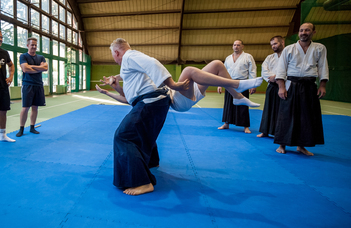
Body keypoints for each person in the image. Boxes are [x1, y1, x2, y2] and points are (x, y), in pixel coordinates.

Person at [96, 38, 262, 196]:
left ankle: (237, 88)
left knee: (123, 136)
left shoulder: (129, 57)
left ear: (116, 53)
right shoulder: (133, 70)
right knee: (215, 65)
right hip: (163, 98)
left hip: (170, 96)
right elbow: (130, 98)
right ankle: (236, 95)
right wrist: (112, 88)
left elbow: (153, 64)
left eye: (114, 57)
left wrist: (173, 84)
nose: (115, 62)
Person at [274, 23, 329, 156]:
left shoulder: (320, 48)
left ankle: (301, 145)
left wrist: (322, 85)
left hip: (309, 85)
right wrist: (281, 87)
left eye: (307, 30)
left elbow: (323, 67)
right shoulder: (289, 49)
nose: (304, 32)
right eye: (301, 30)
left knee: (306, 116)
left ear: (313, 32)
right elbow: (281, 69)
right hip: (291, 84)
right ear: (298, 32)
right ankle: (282, 144)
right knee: (286, 114)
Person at [218, 40, 258, 134]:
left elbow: (252, 70)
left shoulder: (248, 56)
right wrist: (220, 84)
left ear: (242, 46)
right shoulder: (228, 58)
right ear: (232, 46)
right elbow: (223, 71)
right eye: (234, 45)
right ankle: (226, 123)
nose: (236, 47)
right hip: (229, 82)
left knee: (243, 105)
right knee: (228, 104)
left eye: (238, 45)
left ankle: (246, 126)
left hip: (242, 83)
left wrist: (253, 84)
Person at [16, 37, 48, 137]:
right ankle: (21, 129)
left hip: (38, 85)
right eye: (32, 45)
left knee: (35, 107)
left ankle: (32, 127)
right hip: (28, 84)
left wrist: (32, 67)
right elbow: (25, 69)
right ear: (27, 45)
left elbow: (45, 68)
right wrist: (39, 68)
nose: (34, 46)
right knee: (25, 107)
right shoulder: (23, 56)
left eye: (35, 45)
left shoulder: (41, 57)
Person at [257, 36, 285, 138]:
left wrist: (277, 77)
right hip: (271, 85)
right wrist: (271, 78)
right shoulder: (270, 58)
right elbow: (264, 70)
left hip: (284, 86)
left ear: (282, 42)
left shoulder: (288, 55)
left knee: (281, 110)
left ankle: (280, 133)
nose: (273, 46)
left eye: (275, 43)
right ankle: (265, 131)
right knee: (268, 109)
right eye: (272, 44)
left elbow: (290, 69)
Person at [0, 31, 15, 142]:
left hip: (2, 87)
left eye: (1, 37)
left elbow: (11, 65)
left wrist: (11, 77)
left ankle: (2, 135)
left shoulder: (4, 53)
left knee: (3, 111)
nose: (0, 39)